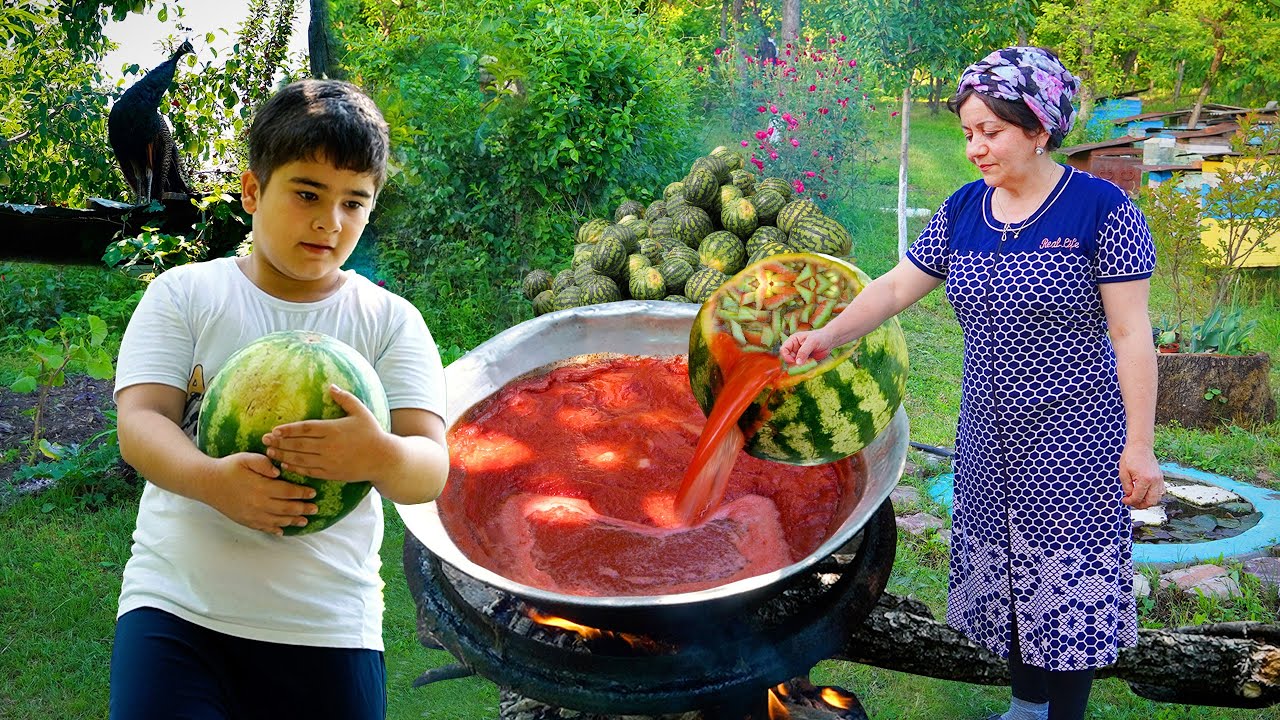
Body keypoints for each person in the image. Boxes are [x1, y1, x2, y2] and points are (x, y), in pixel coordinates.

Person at [780, 47, 1165, 720]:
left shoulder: (1102, 211)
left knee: (1062, 590)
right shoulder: (965, 209)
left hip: (1074, 435)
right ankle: (1024, 706)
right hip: (987, 433)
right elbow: (900, 284)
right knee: (1014, 577)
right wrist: (829, 334)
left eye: (990, 132)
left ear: (1039, 129)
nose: (975, 148)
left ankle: (1060, 717)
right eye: (967, 133)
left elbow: (1133, 336)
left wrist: (1139, 445)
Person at [108, 79, 449, 720]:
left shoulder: (389, 322)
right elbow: (141, 423)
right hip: (177, 611)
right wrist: (214, 482)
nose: (330, 220)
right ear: (253, 190)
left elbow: (430, 468)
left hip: (327, 626)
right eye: (308, 194)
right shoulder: (186, 295)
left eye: (355, 202)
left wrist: (378, 455)